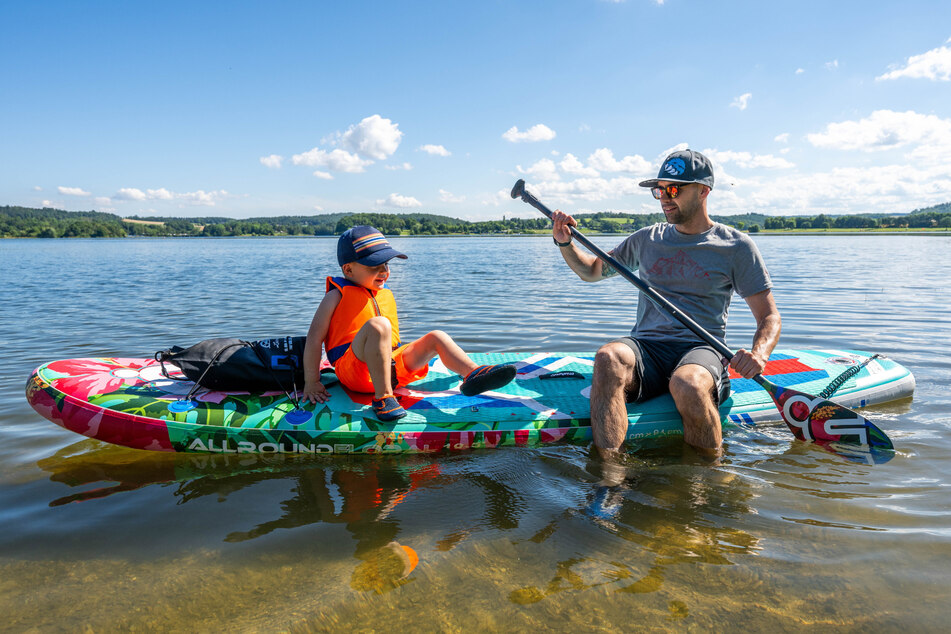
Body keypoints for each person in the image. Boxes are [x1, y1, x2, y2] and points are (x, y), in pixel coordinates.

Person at [551, 149, 781, 458]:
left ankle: (712, 478)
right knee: (607, 358)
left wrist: (759, 355)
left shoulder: (736, 246)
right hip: (648, 348)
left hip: (701, 349)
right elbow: (591, 271)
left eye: (673, 189)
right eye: (659, 190)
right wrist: (565, 243)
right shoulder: (647, 239)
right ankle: (609, 478)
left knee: (687, 384)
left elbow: (769, 316)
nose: (664, 197)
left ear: (703, 191)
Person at [302, 225, 516, 421]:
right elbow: (313, 340)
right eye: (374, 266)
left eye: (386, 264)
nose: (384, 271)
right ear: (348, 270)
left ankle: (472, 373)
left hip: (393, 368)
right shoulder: (336, 296)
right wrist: (312, 381)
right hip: (354, 372)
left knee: (436, 337)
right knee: (379, 325)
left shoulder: (384, 294)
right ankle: (384, 397)